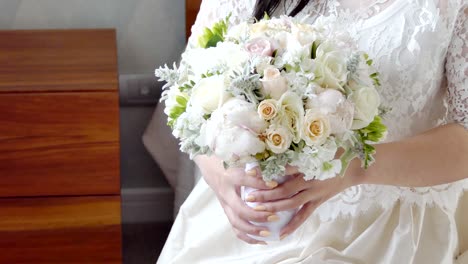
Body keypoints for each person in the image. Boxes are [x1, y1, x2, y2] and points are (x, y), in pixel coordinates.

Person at [153, 0, 468, 263]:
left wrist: (353, 168)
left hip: (385, 227)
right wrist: (221, 179)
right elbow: (188, 90)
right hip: (253, 213)